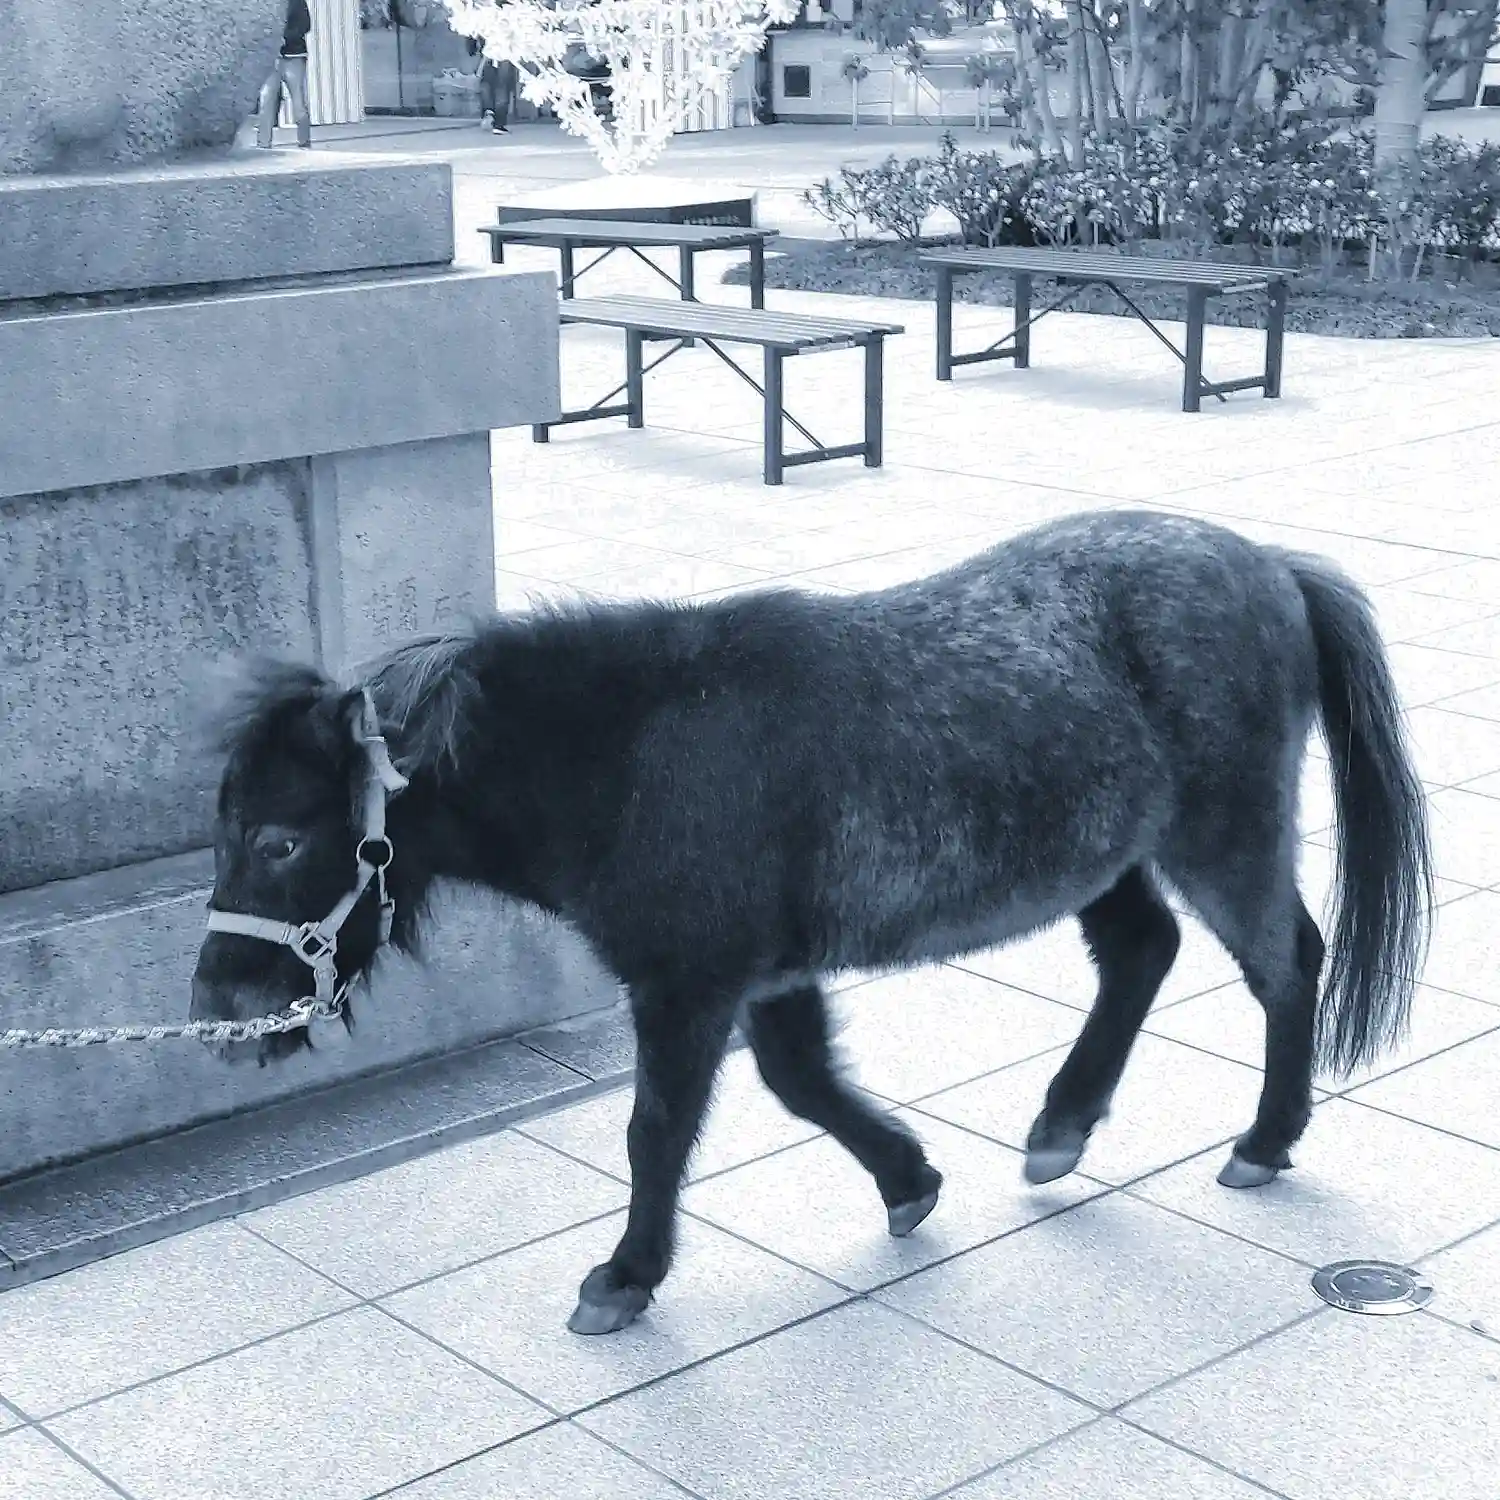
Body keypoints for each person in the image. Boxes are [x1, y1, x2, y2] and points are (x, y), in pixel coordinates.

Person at [256, 0, 314, 150]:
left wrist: (284, 37)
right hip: (272, 57)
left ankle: (304, 141)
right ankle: (263, 143)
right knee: (266, 100)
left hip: (294, 56)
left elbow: (305, 25)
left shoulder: (296, 2)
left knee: (298, 102)